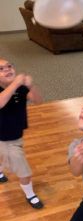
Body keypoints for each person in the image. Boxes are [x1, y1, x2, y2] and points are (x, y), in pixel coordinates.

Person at [0, 58, 43, 209]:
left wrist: (30, 86)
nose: (7, 69)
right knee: (23, 170)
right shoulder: (14, 86)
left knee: (3, 156)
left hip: (16, 135)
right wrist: (16, 83)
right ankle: (30, 194)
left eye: (9, 66)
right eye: (1, 69)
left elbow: (38, 100)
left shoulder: (20, 88)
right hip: (4, 138)